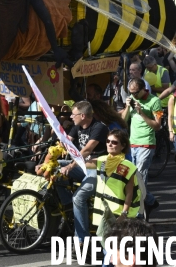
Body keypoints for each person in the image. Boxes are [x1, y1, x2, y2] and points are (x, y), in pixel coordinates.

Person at [53, 100, 107, 249]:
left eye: (73, 114)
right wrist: (53, 151)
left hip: (97, 169)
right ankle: (68, 206)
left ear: (83, 115)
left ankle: (82, 238)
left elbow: (87, 150)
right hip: (82, 166)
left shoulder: (99, 128)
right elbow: (67, 142)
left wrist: (71, 165)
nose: (71, 116)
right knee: (55, 169)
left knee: (79, 197)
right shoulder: (77, 126)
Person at [121, 78, 161, 221]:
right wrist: (127, 107)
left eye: (135, 93)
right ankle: (150, 201)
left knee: (140, 179)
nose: (133, 95)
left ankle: (140, 213)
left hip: (147, 143)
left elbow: (157, 126)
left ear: (143, 89)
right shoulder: (132, 98)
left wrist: (142, 113)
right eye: (130, 93)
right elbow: (123, 121)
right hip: (133, 144)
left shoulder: (154, 101)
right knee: (133, 179)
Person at [88, 129, 141, 228]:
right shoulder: (102, 160)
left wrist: (124, 214)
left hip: (117, 214)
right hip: (102, 213)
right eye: (108, 141)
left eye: (114, 142)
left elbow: (130, 193)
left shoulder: (127, 166)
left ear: (123, 146)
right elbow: (82, 162)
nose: (110, 144)